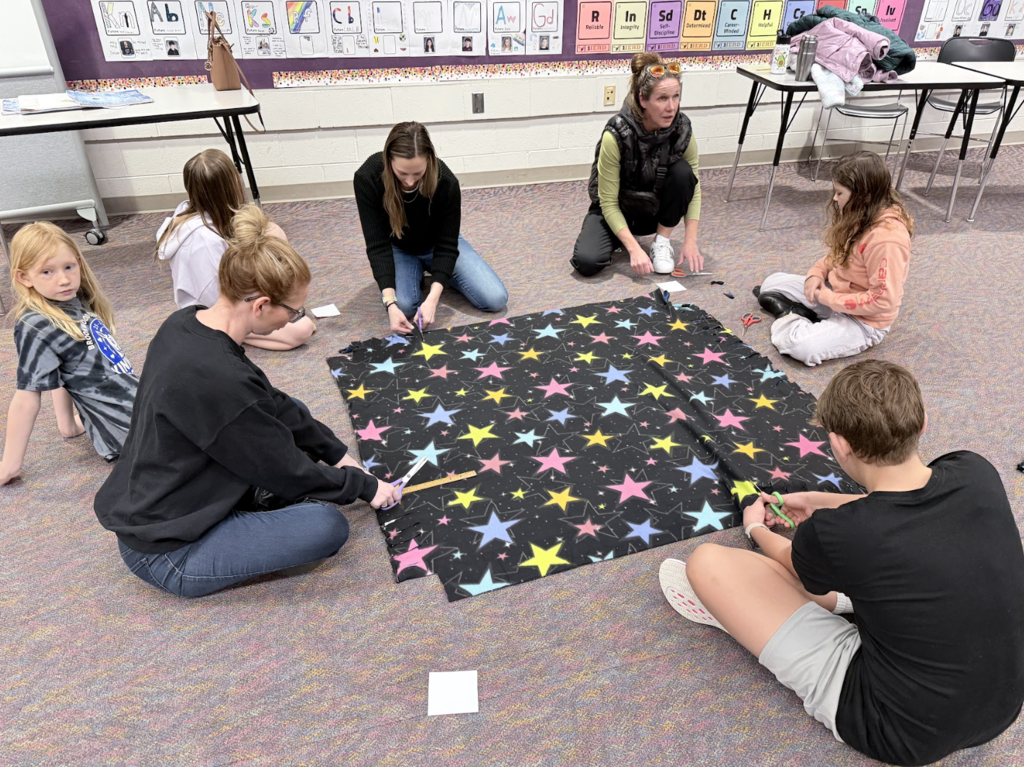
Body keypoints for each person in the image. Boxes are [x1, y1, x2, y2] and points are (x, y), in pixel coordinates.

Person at [658, 360, 1024, 766]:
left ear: (839, 445)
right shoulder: (975, 470)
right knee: (868, 564)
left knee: (709, 562)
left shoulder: (840, 533)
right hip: (1005, 706)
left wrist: (756, 529)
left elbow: (795, 565)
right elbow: (899, 509)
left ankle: (733, 610)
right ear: (922, 423)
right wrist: (815, 503)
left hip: (899, 731)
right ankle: (857, 598)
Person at [94, 206, 401, 598]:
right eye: (293, 311)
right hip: (169, 550)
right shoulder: (222, 381)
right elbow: (287, 469)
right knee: (326, 525)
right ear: (260, 305)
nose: (293, 320)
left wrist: (338, 454)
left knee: (296, 482)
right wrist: (362, 485)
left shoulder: (186, 323)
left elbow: (275, 403)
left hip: (157, 504)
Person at [0, 223, 138, 483]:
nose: (63, 279)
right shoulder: (35, 324)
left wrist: (68, 425)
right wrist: (9, 466)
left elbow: (65, 366)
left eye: (68, 267)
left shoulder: (75, 298)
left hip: (141, 404)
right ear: (24, 277)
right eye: (47, 272)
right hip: (130, 429)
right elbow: (26, 398)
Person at [754, 151, 912, 367]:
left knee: (800, 346)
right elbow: (837, 256)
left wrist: (827, 298)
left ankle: (789, 315)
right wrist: (815, 275)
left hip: (863, 321)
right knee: (771, 283)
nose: (835, 199)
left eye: (839, 193)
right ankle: (806, 316)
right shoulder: (862, 214)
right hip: (837, 295)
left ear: (861, 194)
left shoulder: (888, 240)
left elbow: (882, 300)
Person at [353, 121, 508, 334]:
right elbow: (377, 245)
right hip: (398, 248)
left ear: (430, 161)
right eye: (402, 173)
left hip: (437, 244)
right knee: (404, 307)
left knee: (495, 299)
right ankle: (423, 273)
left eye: (418, 174)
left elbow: (446, 243)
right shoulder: (367, 177)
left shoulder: (446, 181)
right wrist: (390, 303)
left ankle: (437, 275)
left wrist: (433, 299)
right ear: (389, 161)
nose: (409, 182)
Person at [156, 148, 316, 350]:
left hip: (237, 299)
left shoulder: (208, 221)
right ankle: (241, 333)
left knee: (273, 232)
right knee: (302, 328)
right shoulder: (203, 240)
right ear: (233, 184)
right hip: (216, 313)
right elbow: (217, 299)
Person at [572, 52, 703, 277]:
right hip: (617, 208)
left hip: (653, 211)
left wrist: (690, 241)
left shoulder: (682, 129)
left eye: (676, 96)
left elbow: (694, 187)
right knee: (587, 262)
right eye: (662, 99)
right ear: (643, 99)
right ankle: (622, 236)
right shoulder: (616, 133)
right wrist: (633, 249)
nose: (671, 107)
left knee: (684, 173)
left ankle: (661, 242)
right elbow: (608, 201)